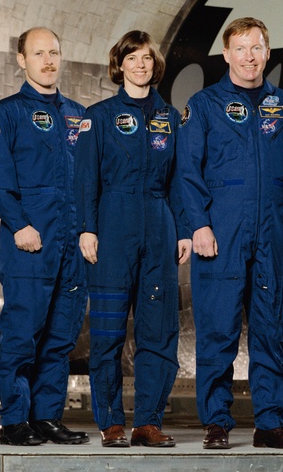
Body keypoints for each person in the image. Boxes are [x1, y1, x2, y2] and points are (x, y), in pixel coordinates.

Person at [176, 16, 283, 451]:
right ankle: (217, 422)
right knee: (218, 331)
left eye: (257, 48)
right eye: (241, 48)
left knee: (272, 329)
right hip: (221, 233)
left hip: (272, 232)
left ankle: (271, 422)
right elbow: (187, 171)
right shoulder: (205, 104)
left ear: (267, 53)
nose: (249, 57)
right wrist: (197, 224)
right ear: (227, 54)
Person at [75, 31, 192, 449]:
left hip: (159, 226)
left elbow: (180, 179)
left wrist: (183, 230)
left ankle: (148, 422)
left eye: (146, 57)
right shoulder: (99, 116)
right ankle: (110, 422)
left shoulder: (170, 117)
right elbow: (85, 178)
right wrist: (87, 229)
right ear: (119, 65)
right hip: (112, 225)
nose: (141, 64)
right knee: (107, 334)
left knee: (158, 332)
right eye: (132, 58)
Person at [0, 27, 90, 446]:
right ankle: (14, 420)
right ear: (21, 60)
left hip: (71, 243)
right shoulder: (5, 114)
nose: (48, 60)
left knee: (61, 336)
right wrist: (19, 224)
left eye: (54, 52)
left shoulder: (79, 115)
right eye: (38, 53)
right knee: (22, 335)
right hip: (30, 242)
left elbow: (90, 180)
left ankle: (46, 417)